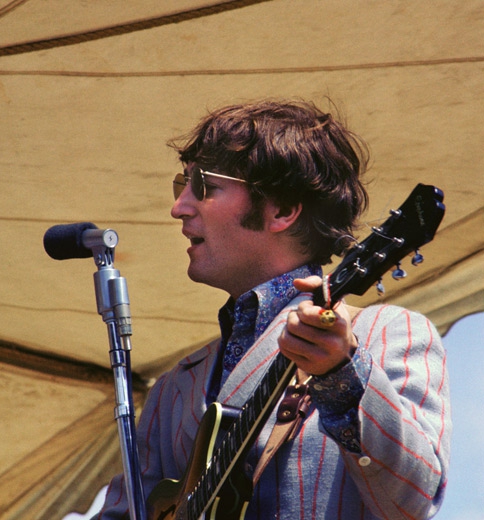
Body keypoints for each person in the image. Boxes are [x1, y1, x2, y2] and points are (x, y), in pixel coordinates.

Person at [97, 100, 450, 519]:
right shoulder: (173, 388)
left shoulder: (390, 334)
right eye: (182, 184)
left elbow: (414, 499)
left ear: (281, 209)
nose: (179, 207)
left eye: (204, 186)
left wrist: (343, 372)